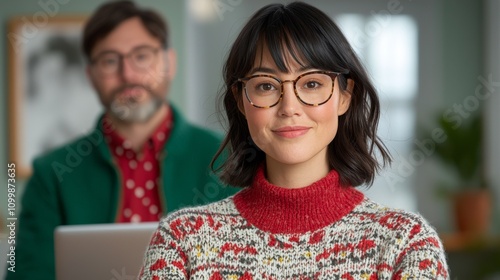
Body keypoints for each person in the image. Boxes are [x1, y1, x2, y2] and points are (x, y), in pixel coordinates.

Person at [139, 2, 450, 279]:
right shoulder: (182, 241)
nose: (289, 107)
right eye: (266, 86)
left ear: (345, 96)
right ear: (240, 101)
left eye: (312, 83)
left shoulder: (405, 244)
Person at [7, 1, 237, 279]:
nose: (127, 74)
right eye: (109, 60)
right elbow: (26, 274)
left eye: (141, 56)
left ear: (169, 63)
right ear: (91, 77)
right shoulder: (50, 175)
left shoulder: (228, 158)